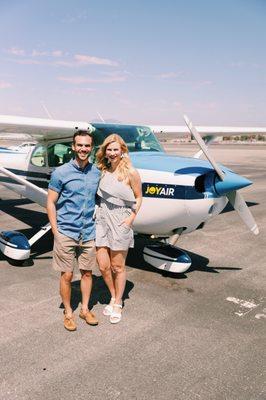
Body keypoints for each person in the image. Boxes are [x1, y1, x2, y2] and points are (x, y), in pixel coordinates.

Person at [47, 130, 100, 331]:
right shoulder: (61, 173)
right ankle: (68, 312)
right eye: (79, 145)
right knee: (67, 275)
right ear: (73, 146)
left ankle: (85, 309)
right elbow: (50, 203)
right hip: (66, 232)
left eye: (87, 145)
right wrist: (55, 231)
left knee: (87, 273)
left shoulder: (96, 172)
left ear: (91, 148)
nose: (83, 149)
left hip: (88, 232)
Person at [95, 134, 142, 324]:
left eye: (116, 149)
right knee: (103, 266)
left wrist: (130, 218)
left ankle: (118, 302)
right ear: (105, 151)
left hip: (121, 219)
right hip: (102, 218)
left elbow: (139, 197)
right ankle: (114, 295)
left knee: (117, 266)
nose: (112, 153)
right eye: (109, 149)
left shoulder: (131, 172)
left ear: (122, 150)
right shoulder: (102, 170)